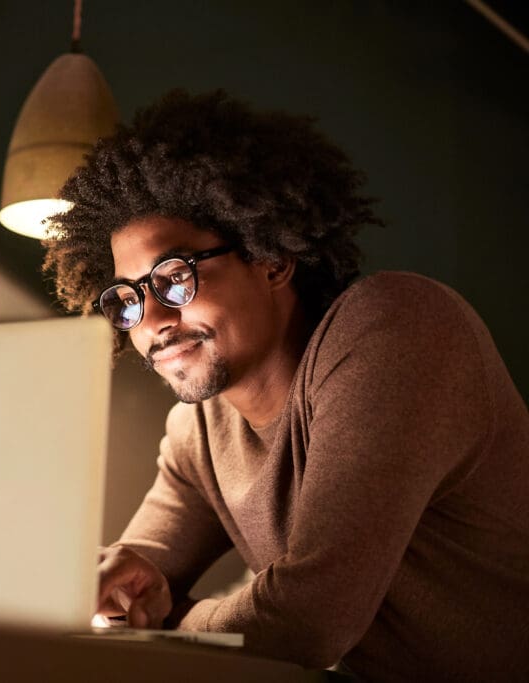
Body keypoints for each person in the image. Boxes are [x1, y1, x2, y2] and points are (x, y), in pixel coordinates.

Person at [42, 90, 529, 681]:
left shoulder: (397, 327)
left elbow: (307, 619)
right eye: (129, 298)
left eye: (174, 277)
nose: (153, 323)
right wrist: (123, 598)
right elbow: (128, 589)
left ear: (271, 259)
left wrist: (178, 621)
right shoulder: (200, 430)